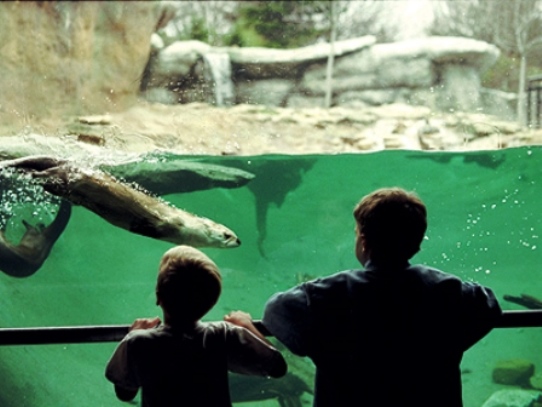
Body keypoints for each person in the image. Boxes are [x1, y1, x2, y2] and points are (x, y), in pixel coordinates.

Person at [255, 187, 502, 407]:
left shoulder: (325, 296)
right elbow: (488, 306)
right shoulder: (448, 292)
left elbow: (276, 309)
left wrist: (315, 344)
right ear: (416, 245)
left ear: (363, 241)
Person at [105, 245, 287, 407]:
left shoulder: (139, 342)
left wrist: (134, 334)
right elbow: (277, 367)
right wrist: (248, 327)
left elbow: (125, 392)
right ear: (212, 302)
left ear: (158, 296)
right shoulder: (223, 335)